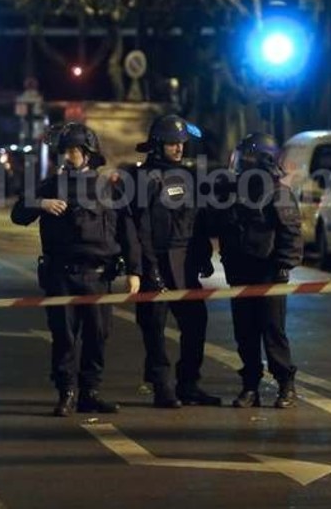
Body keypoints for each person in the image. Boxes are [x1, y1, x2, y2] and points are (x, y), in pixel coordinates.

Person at [11, 122, 142, 417]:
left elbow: (127, 230)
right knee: (64, 337)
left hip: (99, 274)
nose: (70, 156)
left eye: (75, 150)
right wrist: (41, 203)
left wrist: (135, 270)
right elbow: (17, 214)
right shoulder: (49, 185)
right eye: (66, 150)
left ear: (88, 153)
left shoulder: (110, 186)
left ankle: (90, 392)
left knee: (98, 335)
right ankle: (66, 392)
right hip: (62, 274)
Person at [198, 132, 303, 409]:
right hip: (240, 273)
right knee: (244, 333)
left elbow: (291, 233)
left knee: (273, 331)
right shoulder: (231, 193)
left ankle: (285, 384)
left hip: (269, 273)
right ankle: (250, 386)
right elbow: (216, 224)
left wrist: (283, 266)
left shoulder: (278, 193)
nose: (240, 163)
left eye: (246, 157)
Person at [130, 114, 222, 409]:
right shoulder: (143, 179)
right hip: (155, 261)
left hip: (185, 265)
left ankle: (189, 384)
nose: (179, 148)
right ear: (158, 145)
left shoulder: (191, 177)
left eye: (182, 143)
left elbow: (198, 221)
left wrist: (204, 256)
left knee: (196, 324)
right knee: (154, 329)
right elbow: (139, 228)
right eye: (172, 143)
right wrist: (145, 268)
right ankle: (162, 387)